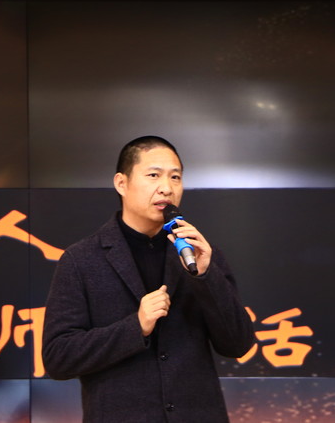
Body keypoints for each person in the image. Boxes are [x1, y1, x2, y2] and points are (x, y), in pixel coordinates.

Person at [42, 136, 255, 422]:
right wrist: (136, 327)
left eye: (175, 177)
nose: (167, 188)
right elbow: (58, 357)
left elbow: (238, 344)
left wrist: (206, 276)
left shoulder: (200, 253)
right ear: (122, 183)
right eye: (154, 175)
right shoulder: (81, 259)